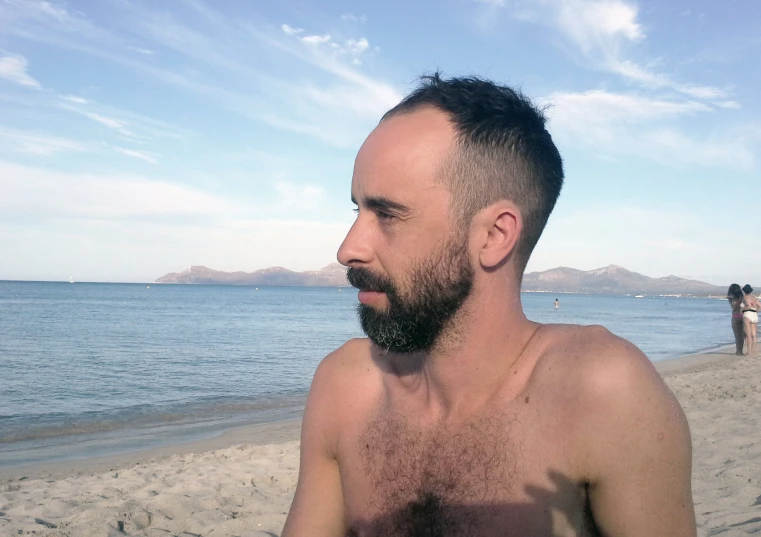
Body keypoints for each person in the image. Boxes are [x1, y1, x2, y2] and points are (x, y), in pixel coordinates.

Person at [283, 74, 695, 537]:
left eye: (388, 214)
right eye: (357, 210)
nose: (347, 249)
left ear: (495, 236)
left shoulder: (602, 392)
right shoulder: (344, 387)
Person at [728, 284, 746, 356]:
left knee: (737, 335)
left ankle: (738, 351)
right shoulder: (742, 297)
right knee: (742, 334)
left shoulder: (731, 298)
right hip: (743, 315)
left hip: (735, 316)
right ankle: (740, 351)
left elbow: (734, 307)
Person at [742, 284, 758, 355]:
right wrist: (755, 310)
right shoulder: (754, 298)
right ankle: (753, 350)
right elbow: (760, 306)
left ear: (744, 291)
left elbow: (748, 306)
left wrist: (741, 309)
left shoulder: (745, 297)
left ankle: (749, 352)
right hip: (754, 315)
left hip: (747, 315)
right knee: (754, 334)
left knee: (748, 335)